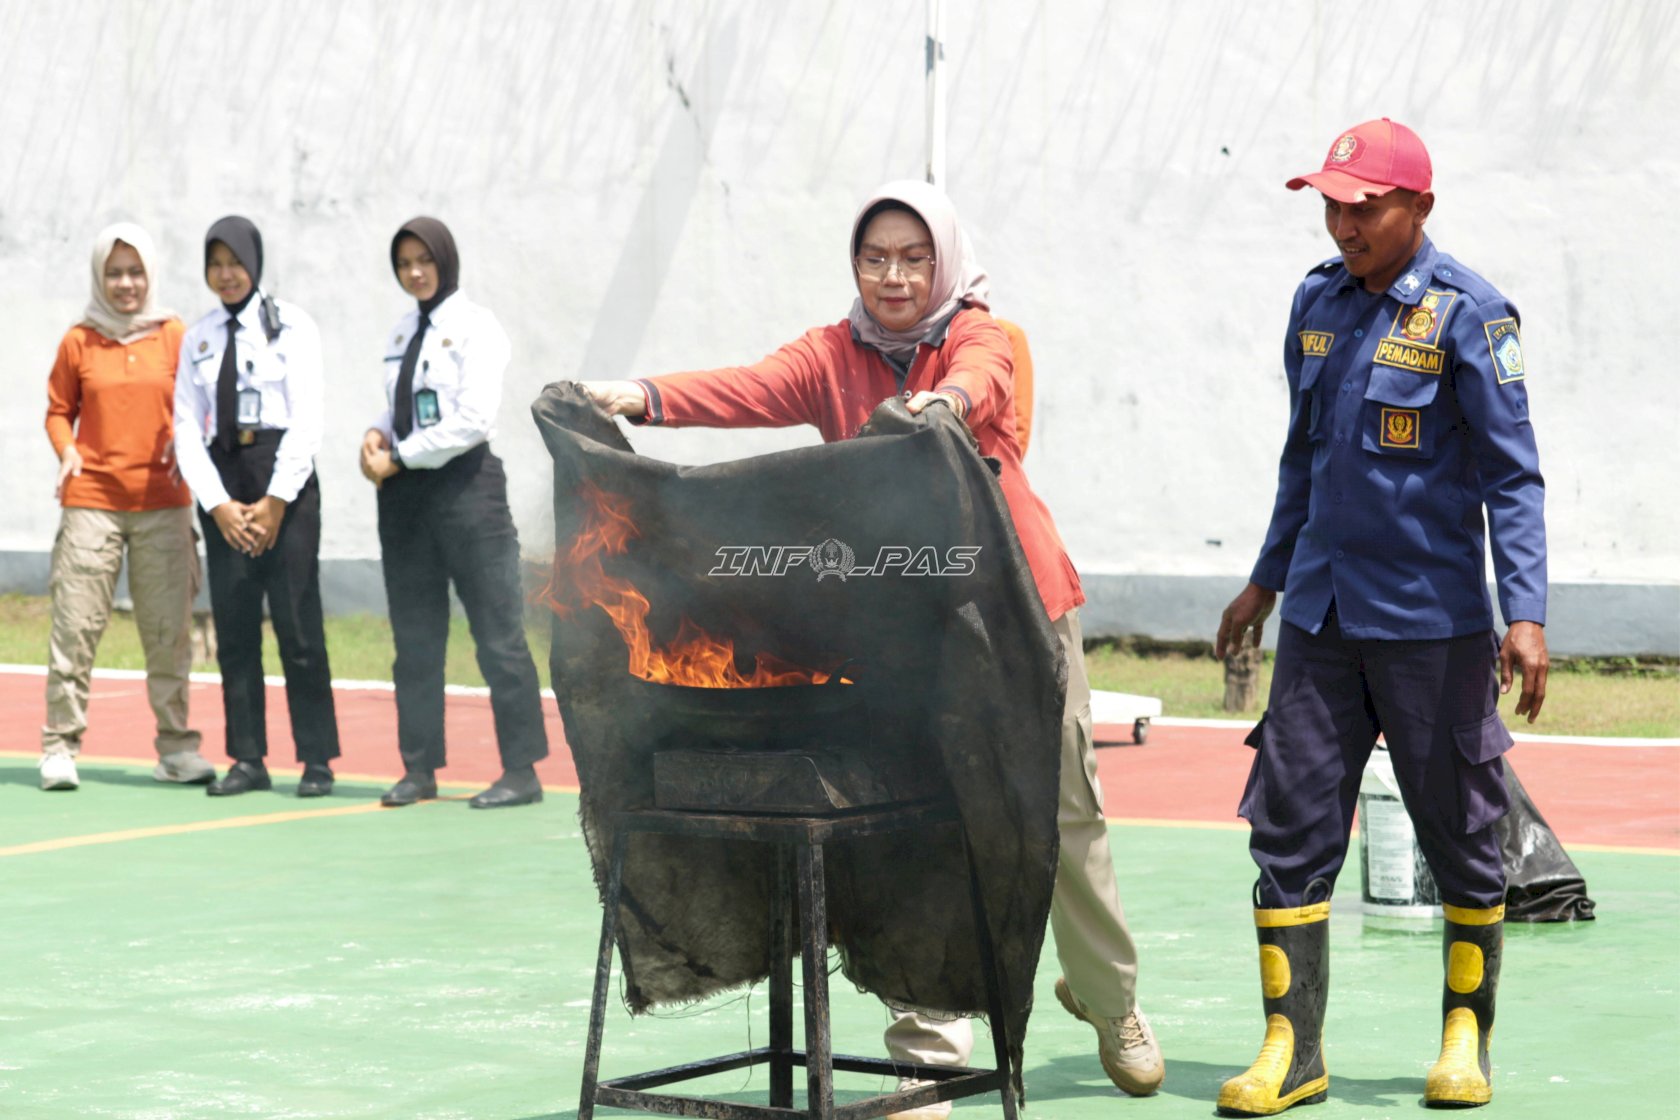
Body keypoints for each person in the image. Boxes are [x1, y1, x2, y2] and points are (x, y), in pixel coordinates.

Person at [580, 179, 1165, 1113]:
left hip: (1018, 614)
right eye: (875, 257)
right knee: (926, 826)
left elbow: (984, 383)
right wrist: (637, 396)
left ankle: (1109, 1000)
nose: (894, 276)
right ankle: (927, 1061)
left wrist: (942, 405)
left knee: (1062, 811)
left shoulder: (978, 334)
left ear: (944, 261)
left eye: (914, 256)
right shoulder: (832, 355)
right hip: (903, 626)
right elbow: (747, 389)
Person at [1213, 119, 1548, 1114]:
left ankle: (1462, 1038)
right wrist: (1265, 580)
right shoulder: (1315, 304)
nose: (1344, 222)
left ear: (1420, 209)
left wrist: (1523, 613)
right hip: (1321, 616)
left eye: (1366, 206)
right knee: (1290, 818)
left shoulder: (1470, 315)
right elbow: (1302, 459)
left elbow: (1513, 477)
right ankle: (1292, 1045)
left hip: (1432, 623)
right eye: (1333, 204)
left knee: (1459, 826)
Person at [359, 217, 549, 809]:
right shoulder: (399, 333)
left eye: (424, 260)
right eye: (404, 262)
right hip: (406, 502)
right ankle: (419, 769)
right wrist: (374, 436)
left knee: (498, 636)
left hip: (468, 493)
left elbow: (470, 419)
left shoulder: (476, 326)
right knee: (415, 641)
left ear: (446, 259)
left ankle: (521, 771)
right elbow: (396, 409)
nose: (415, 272)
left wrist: (399, 456)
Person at [40, 223, 216, 791]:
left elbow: (201, 406)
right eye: (114, 273)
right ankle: (59, 748)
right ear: (99, 276)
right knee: (76, 627)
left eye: (135, 272)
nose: (125, 284)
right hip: (91, 502)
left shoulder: (175, 336)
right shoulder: (79, 340)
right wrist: (67, 452)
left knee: (167, 632)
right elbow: (57, 410)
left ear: (151, 276)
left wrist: (185, 438)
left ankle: (176, 750)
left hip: (164, 503)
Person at [174, 216, 341, 797]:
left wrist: (274, 500)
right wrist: (219, 505)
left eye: (235, 262)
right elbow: (185, 429)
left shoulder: (292, 326)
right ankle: (248, 758)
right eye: (215, 264)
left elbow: (308, 418)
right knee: (236, 627)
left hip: (283, 482)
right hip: (224, 481)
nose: (226, 274)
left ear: (255, 262)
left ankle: (317, 759)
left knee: (298, 626)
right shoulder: (197, 337)